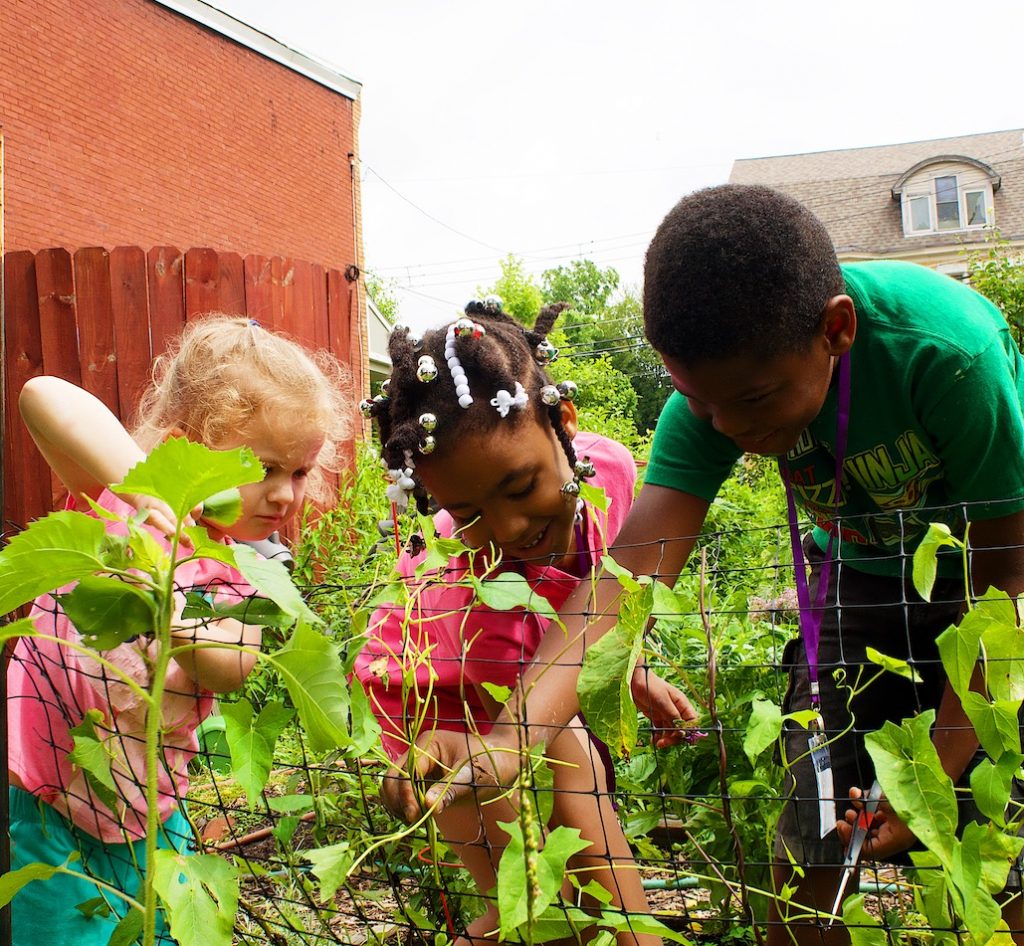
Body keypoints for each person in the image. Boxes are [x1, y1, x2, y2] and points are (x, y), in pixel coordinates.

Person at [381, 186, 1024, 946]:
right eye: (700, 403)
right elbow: (622, 584)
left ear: (836, 331)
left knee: (999, 854)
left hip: (993, 577)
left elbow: (1004, 581)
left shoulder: (946, 354)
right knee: (808, 851)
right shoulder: (723, 393)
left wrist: (938, 766)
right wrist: (509, 741)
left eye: (752, 402)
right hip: (855, 577)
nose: (733, 431)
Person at [7, 315, 350, 945]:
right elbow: (41, 397)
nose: (283, 495)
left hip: (149, 818)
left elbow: (233, 663)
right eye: (261, 467)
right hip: (48, 798)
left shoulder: (250, 572)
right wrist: (148, 490)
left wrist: (176, 595)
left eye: (298, 473)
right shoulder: (119, 503)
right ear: (178, 449)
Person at [355, 300, 689, 946]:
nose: (508, 530)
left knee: (549, 906)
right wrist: (635, 930)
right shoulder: (485, 593)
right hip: (433, 681)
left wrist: (631, 667)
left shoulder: (610, 471)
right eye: (466, 514)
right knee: (536, 904)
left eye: (519, 487)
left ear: (564, 422)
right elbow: (575, 785)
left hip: (504, 675)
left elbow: (604, 597)